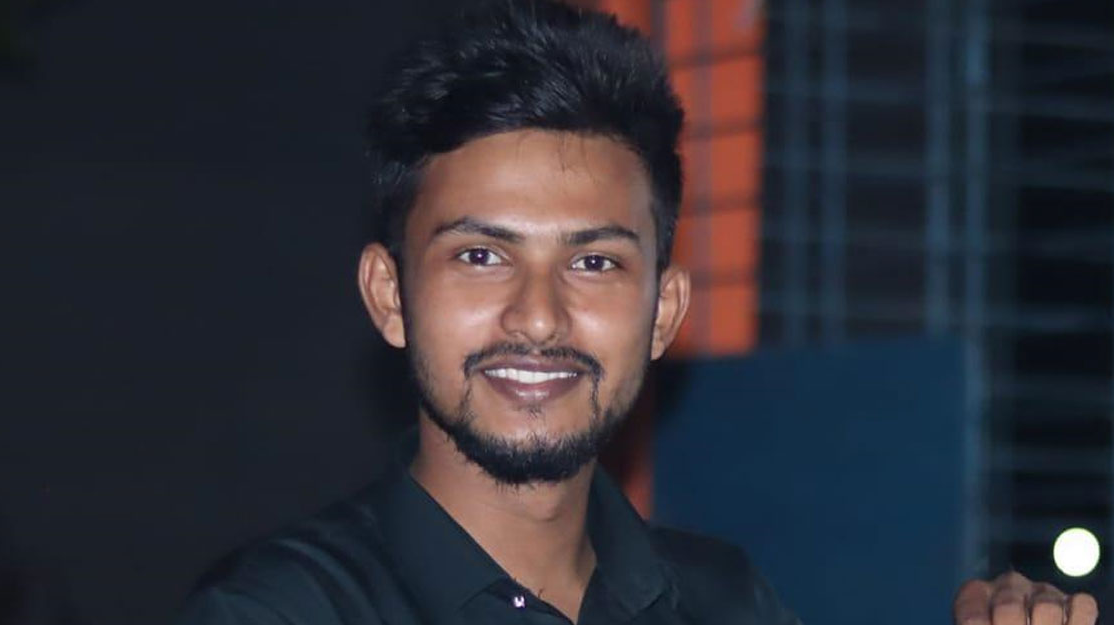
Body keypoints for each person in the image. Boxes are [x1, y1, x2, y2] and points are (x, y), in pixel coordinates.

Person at [179, 1, 1100, 624]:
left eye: (594, 262)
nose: (539, 317)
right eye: (481, 255)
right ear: (390, 295)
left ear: (664, 311)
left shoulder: (723, 599)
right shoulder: (283, 610)